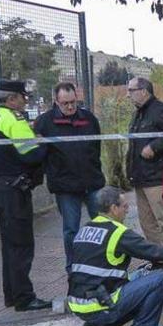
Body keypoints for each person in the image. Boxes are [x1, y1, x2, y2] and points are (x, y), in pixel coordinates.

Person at [67, 186, 163, 326]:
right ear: (113, 209)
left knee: (142, 274)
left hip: (79, 302)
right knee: (160, 278)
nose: (128, 210)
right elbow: (155, 252)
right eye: (124, 206)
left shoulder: (85, 229)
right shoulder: (118, 233)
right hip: (99, 303)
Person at [0, 80, 50, 312]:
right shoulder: (14, 119)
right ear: (12, 99)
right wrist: (45, 144)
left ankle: (11, 295)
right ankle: (24, 298)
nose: (25, 100)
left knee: (9, 244)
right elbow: (31, 155)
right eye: (23, 96)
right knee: (21, 245)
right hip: (14, 190)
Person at [34, 82, 106, 272]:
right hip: (65, 186)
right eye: (65, 103)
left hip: (92, 182)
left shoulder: (89, 119)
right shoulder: (45, 122)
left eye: (73, 102)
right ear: (56, 102)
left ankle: (103, 263)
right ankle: (73, 268)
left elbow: (96, 148)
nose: (70, 107)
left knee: (103, 225)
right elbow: (40, 154)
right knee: (71, 230)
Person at [126, 77, 163, 252]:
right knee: (147, 223)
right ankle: (158, 259)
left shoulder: (160, 110)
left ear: (144, 91)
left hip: (157, 177)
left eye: (131, 90)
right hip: (139, 177)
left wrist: (154, 146)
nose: (127, 95)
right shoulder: (137, 113)